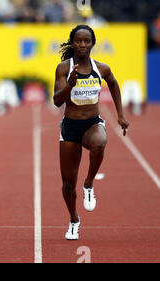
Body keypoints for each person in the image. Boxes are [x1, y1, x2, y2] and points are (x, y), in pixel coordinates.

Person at [53, 25, 129, 240]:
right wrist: (70, 85)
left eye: (87, 41)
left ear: (92, 43)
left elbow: (114, 85)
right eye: (78, 41)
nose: (82, 45)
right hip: (70, 126)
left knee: (100, 142)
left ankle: (88, 183)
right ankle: (74, 219)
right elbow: (57, 101)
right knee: (68, 184)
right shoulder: (63, 68)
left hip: (92, 123)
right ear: (72, 43)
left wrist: (120, 115)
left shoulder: (101, 69)